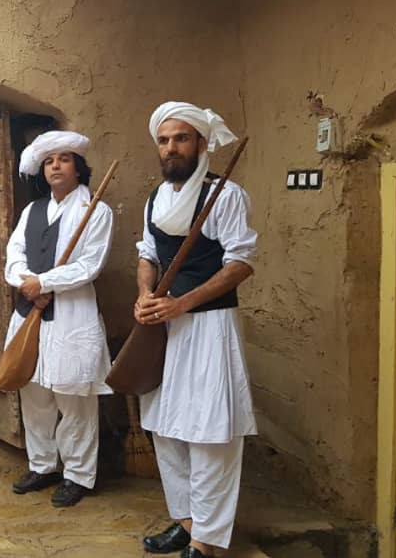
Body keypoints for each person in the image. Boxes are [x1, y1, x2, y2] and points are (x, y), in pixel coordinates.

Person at [135, 102, 258, 558]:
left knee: (209, 432)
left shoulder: (225, 196)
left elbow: (240, 264)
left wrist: (182, 303)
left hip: (209, 328)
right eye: (164, 140)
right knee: (166, 427)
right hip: (163, 331)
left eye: (181, 138)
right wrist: (145, 295)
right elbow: (147, 254)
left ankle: (205, 541)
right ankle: (186, 522)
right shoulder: (155, 199)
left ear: (201, 144)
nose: (171, 147)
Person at [4, 130, 114, 508]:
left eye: (64, 159)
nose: (55, 166)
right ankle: (43, 465)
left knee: (74, 399)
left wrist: (46, 282)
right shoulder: (32, 211)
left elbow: (90, 264)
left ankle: (77, 474)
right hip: (31, 313)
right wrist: (26, 282)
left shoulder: (95, 210)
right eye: (49, 161)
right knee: (35, 393)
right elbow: (14, 254)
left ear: (78, 168)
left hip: (71, 316)